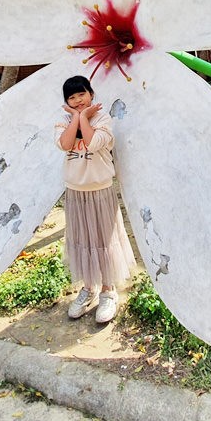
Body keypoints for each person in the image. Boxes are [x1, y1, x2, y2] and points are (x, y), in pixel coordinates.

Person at [55, 75, 136, 324]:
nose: (78, 100)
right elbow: (64, 144)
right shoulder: (63, 121)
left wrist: (85, 118)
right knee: (82, 239)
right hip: (75, 190)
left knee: (103, 239)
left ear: (91, 94)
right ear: (66, 101)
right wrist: (78, 118)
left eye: (82, 94)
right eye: (72, 97)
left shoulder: (103, 119)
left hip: (100, 189)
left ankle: (108, 290)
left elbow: (91, 143)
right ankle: (89, 288)